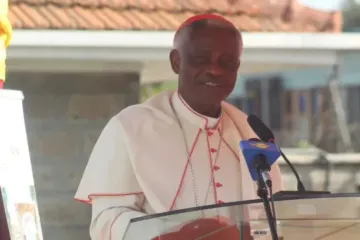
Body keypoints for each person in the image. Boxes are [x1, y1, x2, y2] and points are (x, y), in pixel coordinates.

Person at [75, 14, 283, 240]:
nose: (214, 70)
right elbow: (107, 219)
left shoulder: (249, 132)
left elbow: (274, 214)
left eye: (227, 62)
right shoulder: (131, 127)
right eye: (201, 59)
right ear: (176, 62)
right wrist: (170, 235)